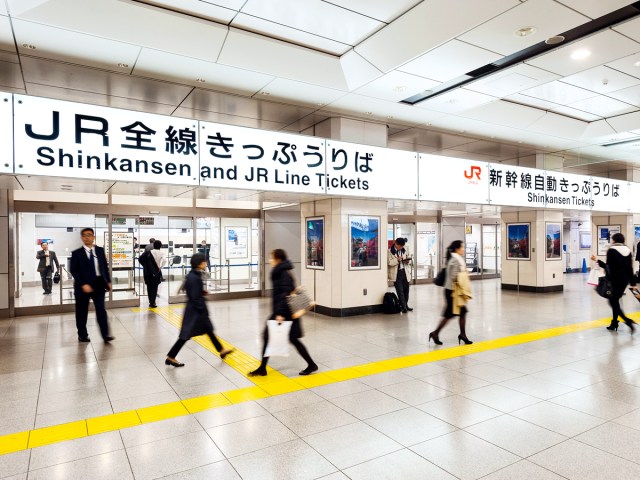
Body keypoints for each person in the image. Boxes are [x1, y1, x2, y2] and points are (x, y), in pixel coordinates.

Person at [249, 249, 317, 377]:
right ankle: (263, 367)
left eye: (271, 258)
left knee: (279, 338)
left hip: (284, 313)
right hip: (283, 312)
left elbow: (284, 295)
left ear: (278, 259)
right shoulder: (281, 272)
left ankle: (311, 365)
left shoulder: (283, 274)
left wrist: (279, 314)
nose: (270, 261)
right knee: (279, 338)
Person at [165, 253, 233, 367]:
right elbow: (195, 297)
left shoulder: (193, 275)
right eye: (204, 261)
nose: (206, 263)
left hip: (195, 310)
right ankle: (171, 357)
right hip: (195, 312)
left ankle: (222, 350)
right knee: (185, 336)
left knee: (208, 330)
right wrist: (202, 308)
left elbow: (192, 291)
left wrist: (201, 293)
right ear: (199, 263)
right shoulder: (194, 277)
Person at [69, 228, 113, 343]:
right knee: (82, 311)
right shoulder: (76, 253)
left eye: (89, 235)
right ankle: (82, 335)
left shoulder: (100, 251)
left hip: (98, 284)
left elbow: (104, 267)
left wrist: (108, 280)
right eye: (84, 235)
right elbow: (74, 271)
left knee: (101, 310)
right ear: (81, 238)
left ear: (93, 237)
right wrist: (83, 284)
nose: (87, 237)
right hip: (82, 286)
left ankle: (105, 335)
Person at [428, 240, 473, 345]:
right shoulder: (455, 260)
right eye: (462, 247)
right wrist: (464, 275)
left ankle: (462, 334)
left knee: (461, 312)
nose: (463, 249)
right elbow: (453, 277)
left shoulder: (455, 258)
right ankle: (435, 333)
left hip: (454, 291)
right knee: (450, 315)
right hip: (452, 292)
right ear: (457, 249)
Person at [591, 233, 637, 333]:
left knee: (612, 301)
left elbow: (609, 267)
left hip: (614, 280)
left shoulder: (611, 250)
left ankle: (627, 321)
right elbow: (630, 268)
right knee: (615, 301)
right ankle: (614, 323)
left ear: (615, 240)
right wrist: (633, 283)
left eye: (612, 240)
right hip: (624, 280)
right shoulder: (628, 250)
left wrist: (598, 262)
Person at [388, 237, 412, 313]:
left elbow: (409, 259)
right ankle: (403, 307)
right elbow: (389, 263)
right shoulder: (389, 252)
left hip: (404, 272)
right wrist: (397, 260)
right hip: (396, 273)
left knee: (406, 290)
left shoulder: (404, 250)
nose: (400, 247)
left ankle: (406, 305)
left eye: (402, 246)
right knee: (400, 291)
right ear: (395, 244)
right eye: (399, 246)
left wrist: (408, 262)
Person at [140, 239, 164, 308]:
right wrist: (160, 267)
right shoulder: (161, 253)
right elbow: (165, 260)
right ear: (160, 246)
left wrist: (146, 266)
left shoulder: (148, 251)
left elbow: (140, 259)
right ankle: (153, 302)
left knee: (149, 287)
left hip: (148, 273)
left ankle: (151, 301)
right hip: (156, 272)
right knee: (155, 287)